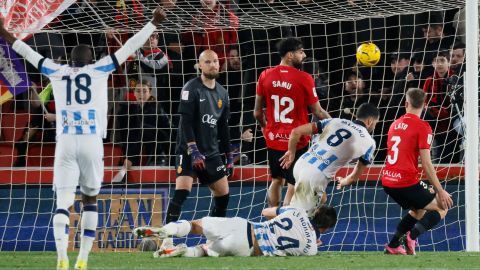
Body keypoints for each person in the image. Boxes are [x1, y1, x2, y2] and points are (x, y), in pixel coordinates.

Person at [0, 7, 167, 270]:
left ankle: (61, 258)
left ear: (69, 59)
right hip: (91, 141)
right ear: (90, 60)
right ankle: (83, 259)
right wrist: (153, 24)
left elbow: (25, 51)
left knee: (62, 203)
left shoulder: (56, 70)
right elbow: (131, 46)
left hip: (65, 141)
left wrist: (2, 32)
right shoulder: (100, 69)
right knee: (90, 199)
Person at [254, 37, 330, 207]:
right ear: (290, 55)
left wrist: (266, 128)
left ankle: (272, 216)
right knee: (292, 184)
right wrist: (335, 124)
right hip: (296, 142)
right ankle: (285, 222)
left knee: (276, 180)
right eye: (300, 51)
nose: (304, 55)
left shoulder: (265, 75)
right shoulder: (304, 78)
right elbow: (317, 111)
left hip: (273, 139)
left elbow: (257, 112)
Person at [165, 49, 233, 225]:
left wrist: (229, 156)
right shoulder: (191, 88)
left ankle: (213, 237)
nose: (213, 65)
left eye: (216, 61)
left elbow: (223, 128)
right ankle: (165, 238)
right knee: (182, 191)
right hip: (188, 150)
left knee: (223, 195)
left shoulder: (223, 94)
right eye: (208, 62)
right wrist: (193, 150)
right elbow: (185, 122)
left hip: (211, 152)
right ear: (200, 65)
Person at [381, 88, 452, 255]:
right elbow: (427, 164)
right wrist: (440, 191)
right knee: (443, 206)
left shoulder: (394, 124)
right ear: (425, 105)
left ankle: (393, 245)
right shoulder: (423, 127)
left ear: (406, 103)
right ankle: (411, 236)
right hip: (405, 181)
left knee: (418, 210)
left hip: (387, 180)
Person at [280, 103, 379, 217]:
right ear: (370, 121)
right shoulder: (370, 143)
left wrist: (291, 152)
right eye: (376, 123)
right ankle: (265, 227)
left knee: (322, 199)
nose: (375, 126)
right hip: (314, 177)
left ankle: (282, 213)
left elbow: (295, 132)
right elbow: (353, 178)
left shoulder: (335, 121)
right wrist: (343, 181)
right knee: (298, 220)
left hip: (301, 164)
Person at [133, 204, 337, 257]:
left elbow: (266, 212)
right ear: (326, 229)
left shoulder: (298, 212)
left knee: (195, 226)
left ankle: (164, 232)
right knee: (206, 251)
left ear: (314, 213)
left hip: (245, 227)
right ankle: (177, 251)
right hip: (247, 249)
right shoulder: (311, 249)